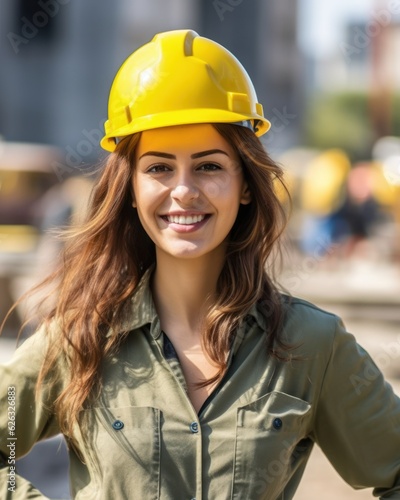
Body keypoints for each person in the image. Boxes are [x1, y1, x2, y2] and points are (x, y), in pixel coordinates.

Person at [1, 29, 400, 500]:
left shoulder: (311, 346)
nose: (184, 190)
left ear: (246, 184)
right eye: (159, 168)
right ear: (130, 189)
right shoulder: (78, 340)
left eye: (209, 166)